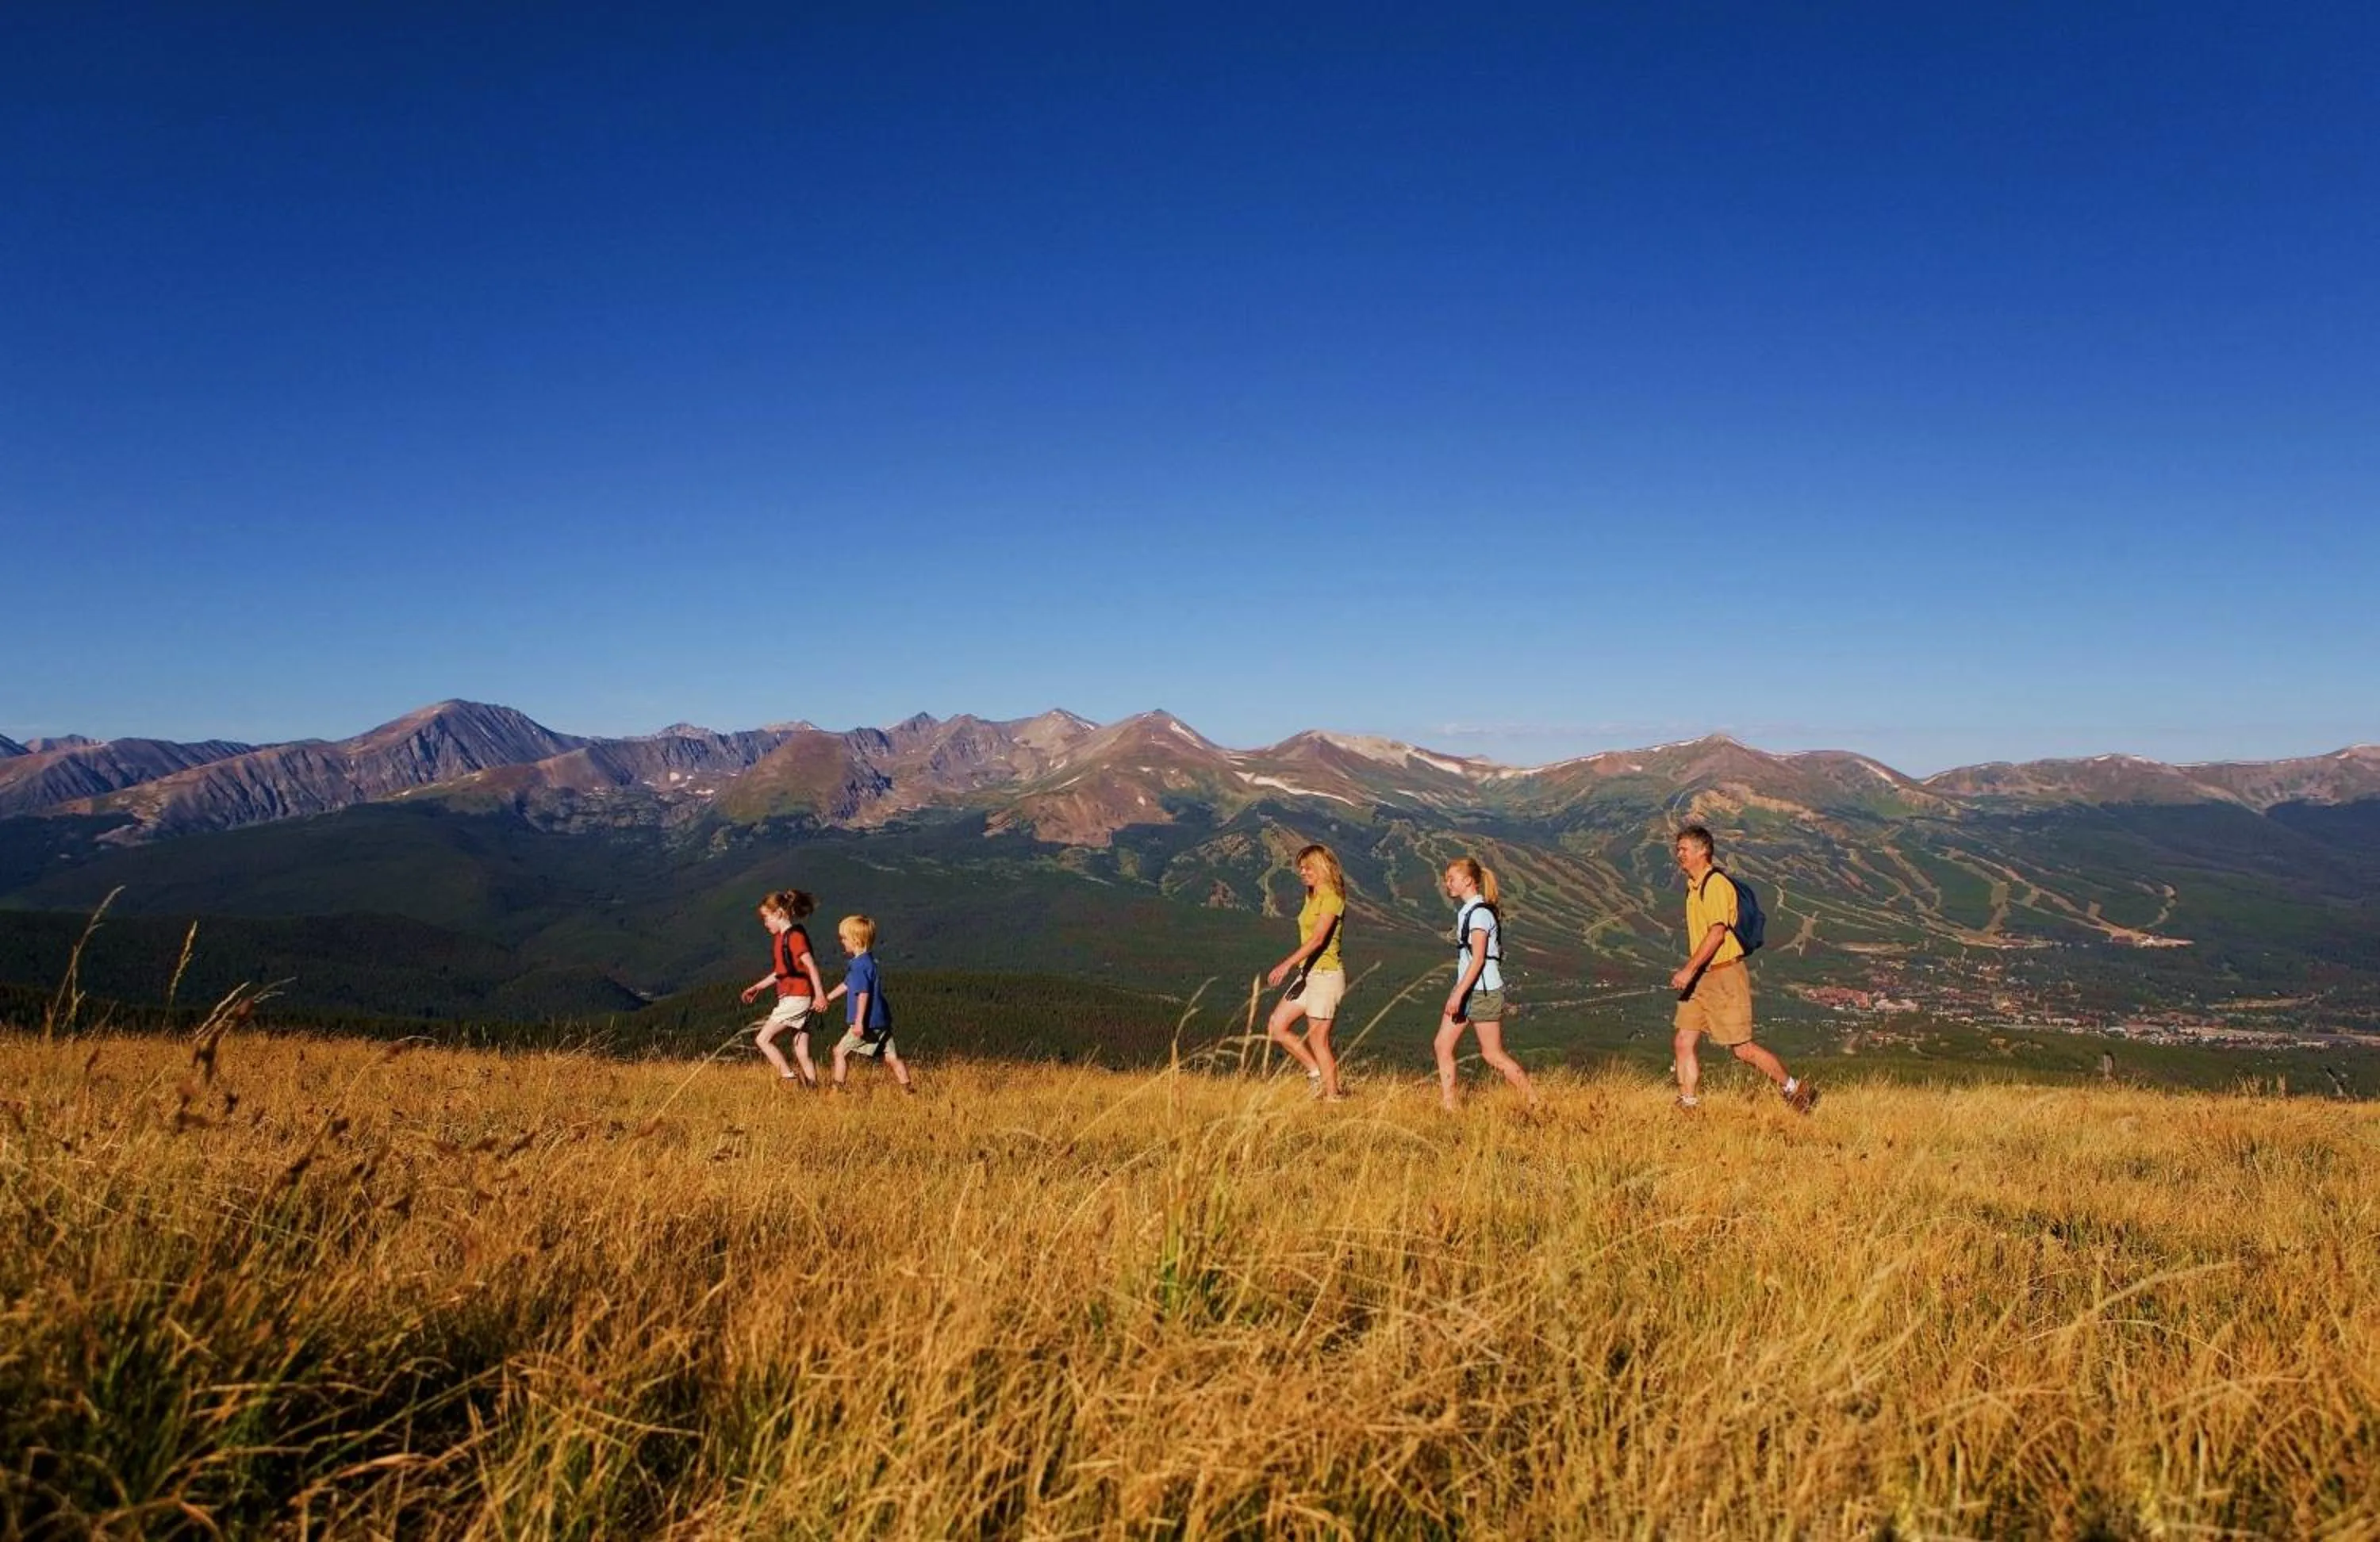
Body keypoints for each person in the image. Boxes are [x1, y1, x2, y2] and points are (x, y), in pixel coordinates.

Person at [1670, 827, 1814, 1114]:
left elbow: (1717, 934)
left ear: (1703, 851)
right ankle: (1688, 1105)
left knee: (1742, 1049)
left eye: (1684, 849)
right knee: (1684, 1040)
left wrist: (1688, 970)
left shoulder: (1716, 885)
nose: (1679, 855)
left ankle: (1795, 1090)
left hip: (1723, 975)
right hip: (1701, 976)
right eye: (1679, 849)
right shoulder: (1693, 885)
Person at [1434, 857, 1541, 1112]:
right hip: (1471, 989)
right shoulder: (1472, 911)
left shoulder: (1479, 914)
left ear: (1468, 881)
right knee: (1442, 1045)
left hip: (1480, 991)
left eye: (1452, 879)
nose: (1447, 884)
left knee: (1492, 1054)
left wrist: (1458, 994)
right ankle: (1449, 1104)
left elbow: (1478, 958)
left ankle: (1533, 1099)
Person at [1264, 843, 1349, 1100]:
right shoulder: (1312, 896)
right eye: (1301, 868)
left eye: (1308, 867)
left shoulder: (1332, 897)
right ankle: (1314, 1073)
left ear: (1322, 867)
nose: (1303, 872)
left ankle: (1333, 1097)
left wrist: (1285, 964)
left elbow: (1318, 940)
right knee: (1276, 1026)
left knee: (1318, 1040)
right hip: (1308, 974)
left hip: (1326, 975)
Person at [739, 889, 824, 1087]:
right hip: (799, 996)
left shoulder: (793, 938)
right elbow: (781, 972)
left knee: (763, 1039)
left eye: (766, 918)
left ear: (778, 913)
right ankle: (813, 1089)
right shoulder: (782, 938)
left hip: (797, 997)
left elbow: (811, 965)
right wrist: (757, 987)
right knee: (801, 1050)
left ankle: (789, 1078)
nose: (765, 923)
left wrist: (820, 996)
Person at [823, 914, 914, 1094]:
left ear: (856, 940)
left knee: (839, 1051)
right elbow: (847, 983)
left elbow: (862, 993)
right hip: (881, 1021)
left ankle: (837, 1090)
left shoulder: (858, 966)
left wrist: (858, 1022)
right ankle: (908, 1090)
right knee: (892, 1057)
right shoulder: (867, 962)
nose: (842, 942)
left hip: (868, 1022)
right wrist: (827, 998)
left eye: (844, 938)